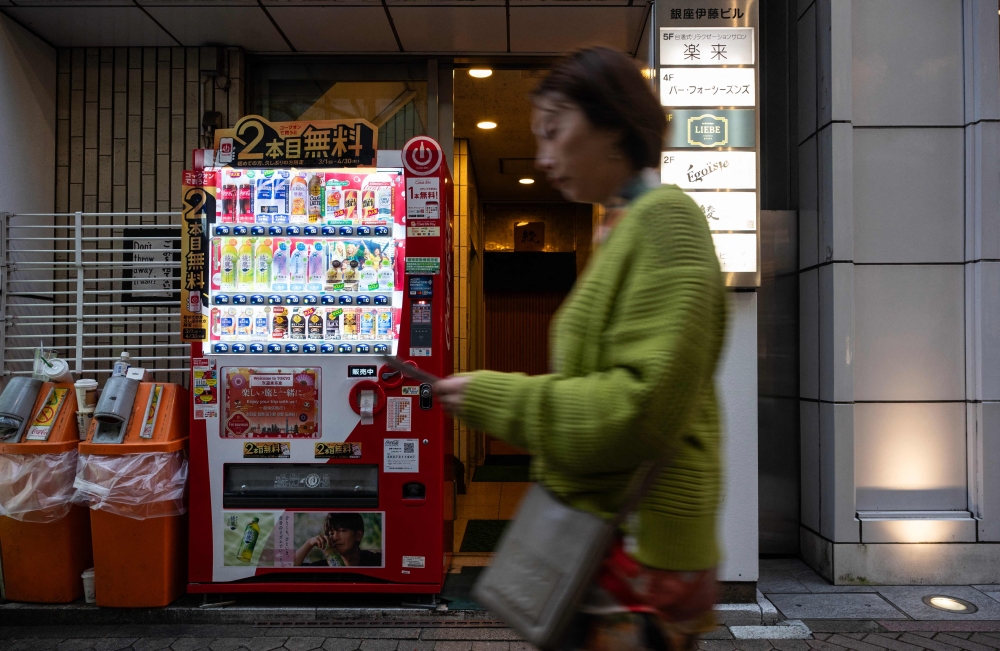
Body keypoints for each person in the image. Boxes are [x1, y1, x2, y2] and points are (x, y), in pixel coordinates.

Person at [435, 47, 727, 651]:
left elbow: (637, 409)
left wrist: (499, 397)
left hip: (641, 555)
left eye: (554, 130)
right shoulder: (623, 225)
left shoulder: (667, 220)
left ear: (613, 123)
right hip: (615, 543)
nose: (543, 157)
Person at [294, 513, 382, 567]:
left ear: (358, 535)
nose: (335, 538)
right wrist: (309, 543)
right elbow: (286, 567)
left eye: (341, 531)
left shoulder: (375, 560)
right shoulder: (325, 566)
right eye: (331, 533)